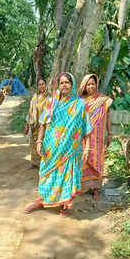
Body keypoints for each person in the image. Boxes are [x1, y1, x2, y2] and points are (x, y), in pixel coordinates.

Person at [24, 72, 92, 217]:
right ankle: (41, 201)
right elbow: (42, 123)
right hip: (51, 146)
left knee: (66, 176)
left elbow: (86, 129)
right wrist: (39, 141)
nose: (64, 85)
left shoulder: (80, 104)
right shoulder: (52, 102)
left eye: (67, 82)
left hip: (70, 149)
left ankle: (64, 205)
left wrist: (87, 148)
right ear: (58, 85)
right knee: (45, 173)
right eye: (61, 83)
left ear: (72, 85)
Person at [78, 74, 113, 200]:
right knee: (84, 160)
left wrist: (110, 133)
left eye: (93, 83)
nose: (91, 86)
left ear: (96, 84)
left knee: (97, 161)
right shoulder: (80, 101)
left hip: (98, 137)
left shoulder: (104, 100)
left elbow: (108, 117)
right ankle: (85, 186)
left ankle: (96, 189)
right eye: (88, 84)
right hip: (84, 137)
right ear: (84, 86)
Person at [24, 78, 48, 169]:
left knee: (43, 143)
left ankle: (43, 164)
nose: (41, 86)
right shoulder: (34, 97)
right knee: (33, 143)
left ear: (46, 85)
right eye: (39, 84)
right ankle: (34, 163)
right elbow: (30, 111)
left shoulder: (49, 97)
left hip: (44, 125)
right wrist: (27, 124)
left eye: (43, 84)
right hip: (34, 124)